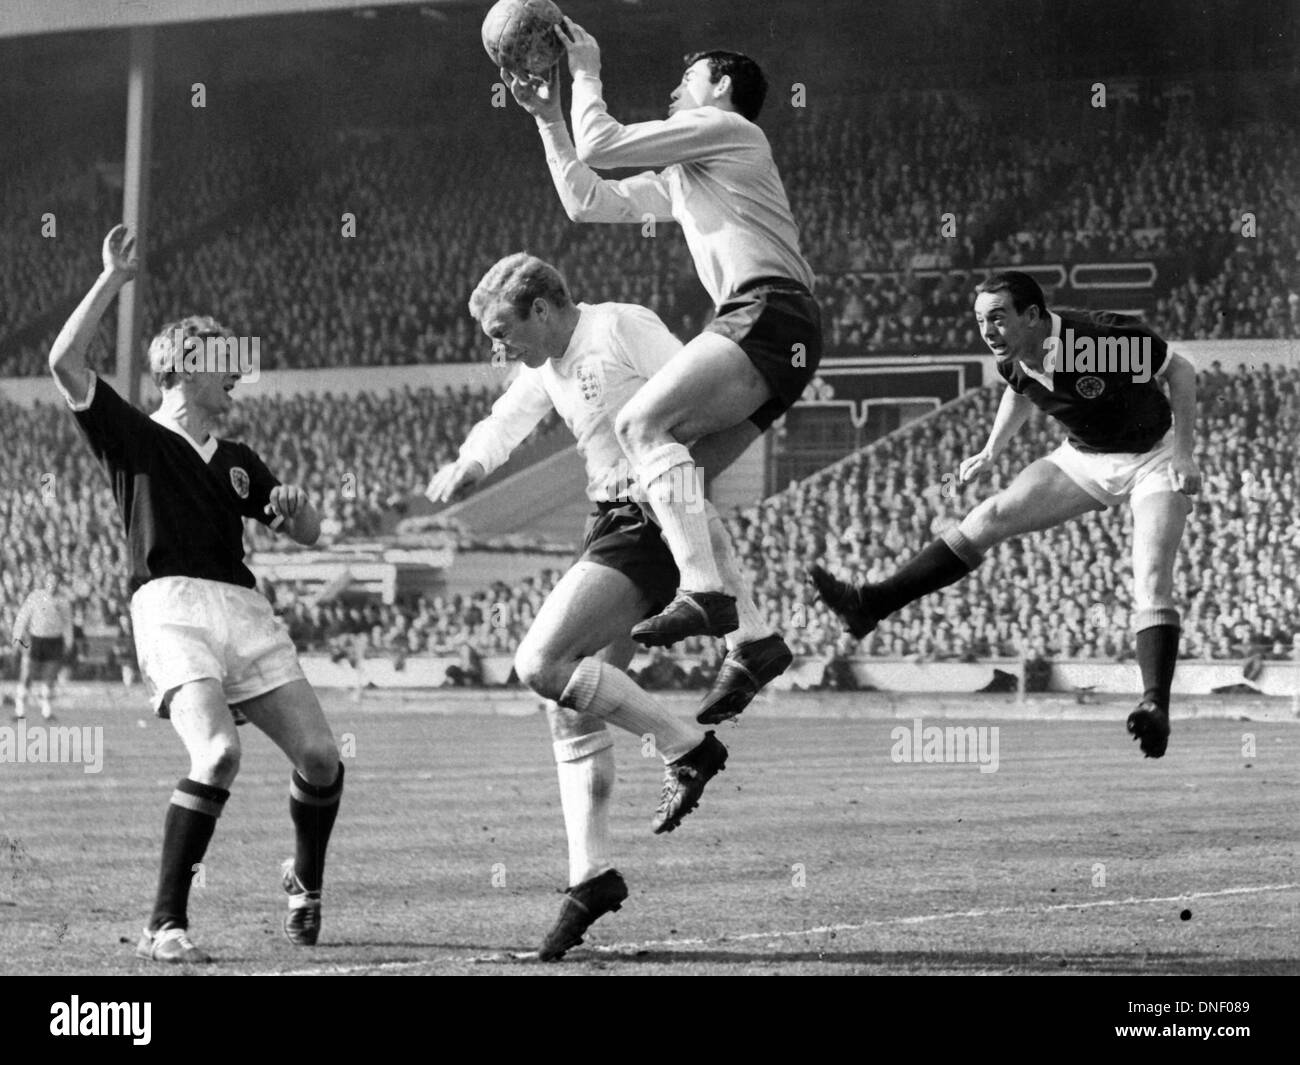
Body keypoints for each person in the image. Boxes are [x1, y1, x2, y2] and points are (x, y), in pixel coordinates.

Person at [428, 253, 744, 959]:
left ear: (542, 309)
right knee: (569, 703)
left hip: (650, 523)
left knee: (539, 661)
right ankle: (590, 876)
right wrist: (471, 463)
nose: (495, 347)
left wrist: (681, 502)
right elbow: (504, 418)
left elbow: (710, 393)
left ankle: (688, 746)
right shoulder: (545, 366)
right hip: (609, 522)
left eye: (501, 329)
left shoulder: (620, 327)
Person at [49, 225, 345, 963]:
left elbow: (307, 530)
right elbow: (63, 360)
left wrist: (298, 509)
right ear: (183, 368)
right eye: (223, 362)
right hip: (172, 606)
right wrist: (111, 280)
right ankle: (165, 924)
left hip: (243, 610)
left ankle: (303, 879)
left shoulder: (240, 459)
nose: (236, 375)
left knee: (321, 757)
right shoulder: (134, 437)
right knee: (216, 753)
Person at [502, 19, 822, 656]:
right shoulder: (691, 172)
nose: (676, 92)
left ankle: (704, 591)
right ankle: (754, 643)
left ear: (722, 86)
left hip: (766, 309)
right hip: (777, 326)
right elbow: (586, 200)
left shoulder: (731, 129)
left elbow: (604, 142)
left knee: (640, 425)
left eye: (687, 79)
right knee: (666, 484)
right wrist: (547, 119)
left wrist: (586, 67)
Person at [811, 271, 1200, 759]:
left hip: (1154, 456)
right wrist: (991, 450)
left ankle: (1154, 707)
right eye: (980, 319)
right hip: (1085, 457)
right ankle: (871, 603)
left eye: (998, 317)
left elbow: (1179, 371)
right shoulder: (1011, 357)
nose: (987, 329)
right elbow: (1018, 388)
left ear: (1034, 316)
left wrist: (1184, 453)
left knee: (1149, 574)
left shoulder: (1099, 342)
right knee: (989, 515)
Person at [11, 572, 74, 721]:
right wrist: (17, 637)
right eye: (50, 580)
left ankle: (47, 712)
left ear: (59, 583)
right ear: (45, 581)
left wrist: (69, 642)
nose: (52, 583)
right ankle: (19, 711)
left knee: (49, 678)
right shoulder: (35, 597)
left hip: (54, 642)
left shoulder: (63, 601)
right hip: (35, 640)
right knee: (26, 675)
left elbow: (67, 623)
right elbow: (23, 616)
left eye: (55, 580)